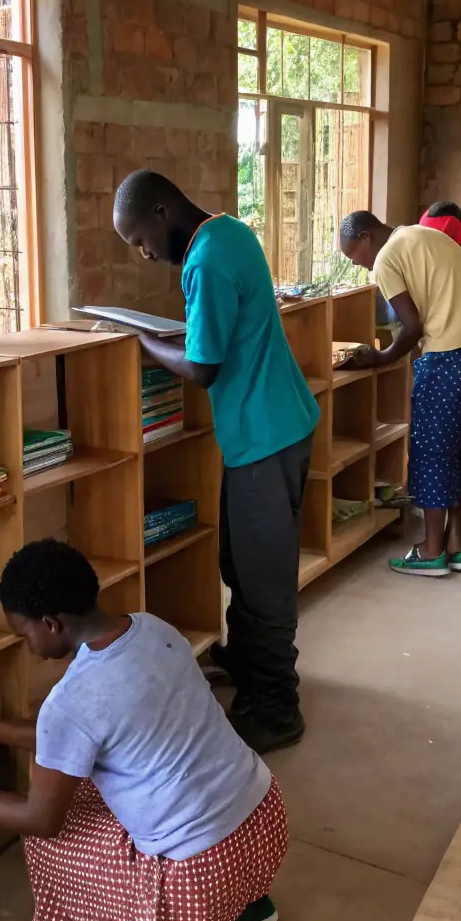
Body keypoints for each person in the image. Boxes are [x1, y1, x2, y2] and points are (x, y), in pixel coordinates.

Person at [0, 539, 288, 921]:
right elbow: (70, 738)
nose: (29, 648)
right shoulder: (150, 626)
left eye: (25, 637)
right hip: (262, 819)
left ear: (50, 623)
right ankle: (246, 905)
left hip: (198, 865)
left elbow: (40, 819)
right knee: (83, 782)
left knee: (51, 840)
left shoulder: (73, 701)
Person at [112, 171, 319, 754]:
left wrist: (142, 340)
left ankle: (277, 707)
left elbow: (203, 367)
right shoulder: (229, 231)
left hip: (263, 437)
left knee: (263, 575)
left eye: (140, 240)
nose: (146, 253)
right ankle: (248, 662)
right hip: (278, 424)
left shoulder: (203, 261)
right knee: (239, 558)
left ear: (160, 210)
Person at [338, 210, 461, 577]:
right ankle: (456, 545)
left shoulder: (386, 257)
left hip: (449, 352)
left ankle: (431, 552)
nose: (363, 266)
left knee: (432, 449)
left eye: (356, 256)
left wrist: (381, 357)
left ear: (366, 237)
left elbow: (412, 326)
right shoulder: (425, 235)